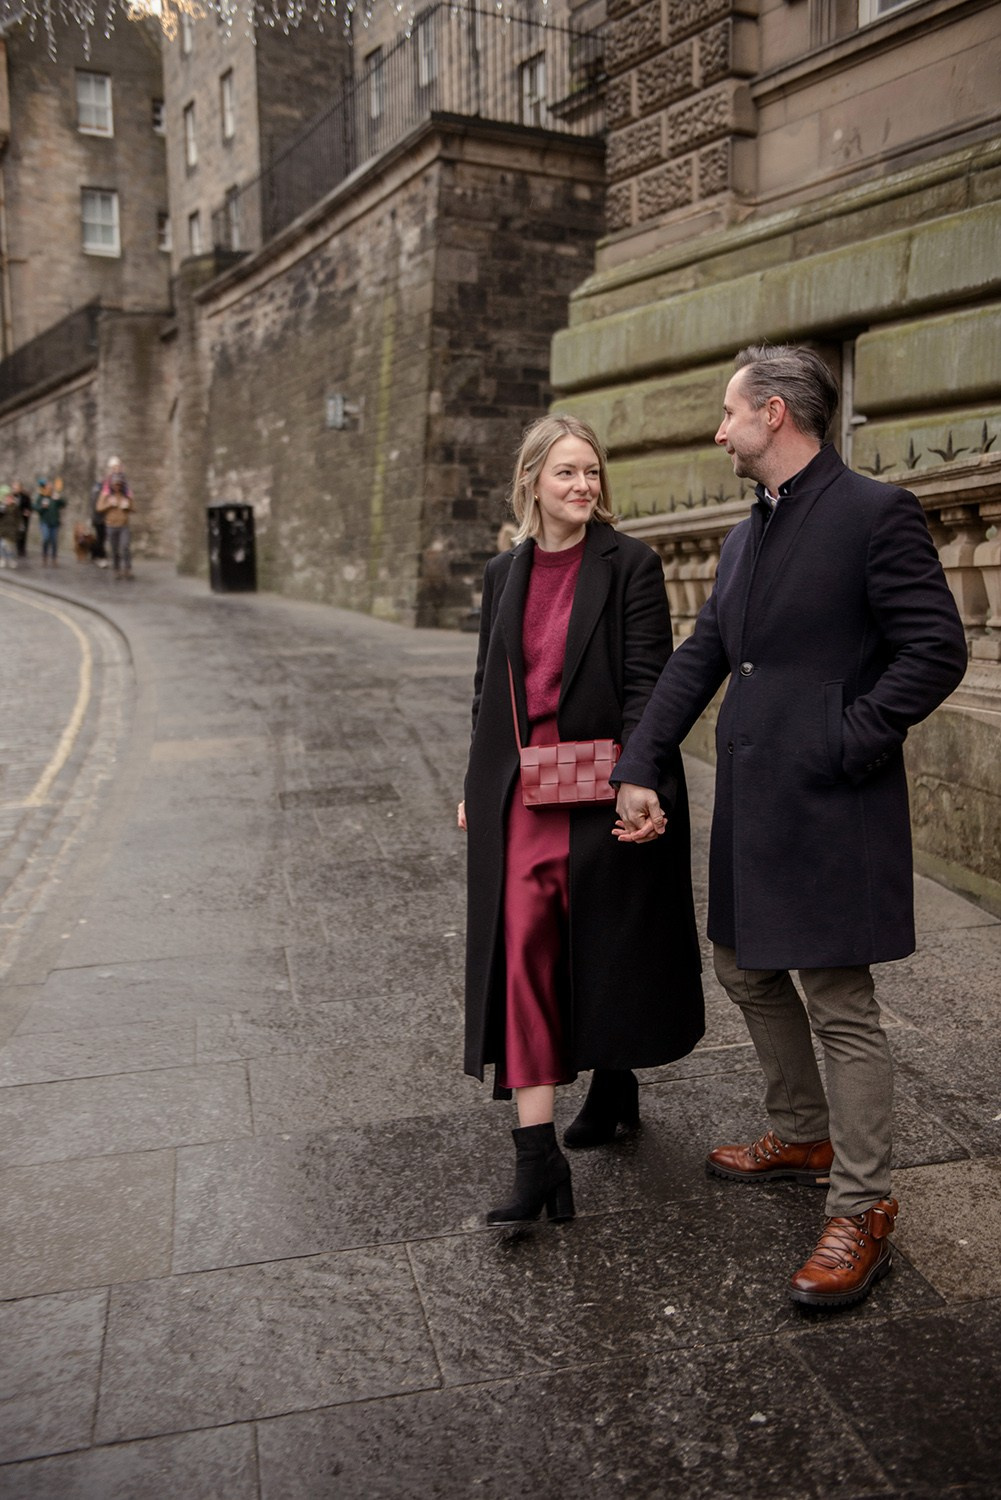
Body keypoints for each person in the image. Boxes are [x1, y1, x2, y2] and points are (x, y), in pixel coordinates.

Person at [613, 345, 968, 1310]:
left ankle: (860, 1206)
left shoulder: (871, 513)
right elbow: (702, 657)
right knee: (743, 966)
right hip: (754, 796)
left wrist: (845, 735)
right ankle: (800, 1129)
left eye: (728, 414)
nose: (718, 430)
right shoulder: (744, 535)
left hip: (831, 797)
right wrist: (640, 759)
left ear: (774, 414)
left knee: (837, 998)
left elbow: (936, 648)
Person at [460, 414, 705, 1226]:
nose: (582, 486)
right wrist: (476, 778)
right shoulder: (503, 572)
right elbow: (485, 689)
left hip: (602, 785)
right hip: (521, 793)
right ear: (532, 480)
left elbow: (647, 681)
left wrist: (639, 777)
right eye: (566, 473)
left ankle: (614, 1076)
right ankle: (537, 1165)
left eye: (591, 473)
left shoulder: (629, 563)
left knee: (606, 944)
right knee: (524, 953)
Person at [96, 471, 134, 578]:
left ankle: (127, 568)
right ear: (112, 485)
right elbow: (98, 508)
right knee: (114, 549)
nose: (117, 486)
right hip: (111, 525)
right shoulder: (106, 495)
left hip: (123, 525)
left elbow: (133, 508)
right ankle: (116, 569)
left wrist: (128, 507)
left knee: (125, 546)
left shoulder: (126, 495)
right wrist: (108, 505)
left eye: (119, 484)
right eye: (115, 484)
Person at [34, 477, 67, 567]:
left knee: (54, 541)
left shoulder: (54, 496)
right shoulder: (41, 496)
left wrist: (59, 498)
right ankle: (44, 557)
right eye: (47, 485)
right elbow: (35, 507)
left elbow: (64, 504)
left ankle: (54, 559)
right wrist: (42, 507)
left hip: (54, 522)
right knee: (46, 538)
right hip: (44, 521)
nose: (49, 487)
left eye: (50, 485)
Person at [12, 479, 33, 559]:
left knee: (23, 534)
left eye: (16, 487)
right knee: (16, 534)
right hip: (14, 518)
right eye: (14, 487)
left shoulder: (25, 497)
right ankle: (17, 548)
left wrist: (28, 511)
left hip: (23, 519)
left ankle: (22, 549)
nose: (14, 489)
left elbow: (29, 507)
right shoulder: (12, 496)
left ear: (20, 488)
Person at [0, 486, 19, 568]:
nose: (8, 499)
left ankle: (11, 560)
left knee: (10, 547)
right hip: (3, 530)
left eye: (10, 497)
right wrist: (2, 509)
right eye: (6, 497)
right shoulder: (2, 506)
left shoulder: (15, 507)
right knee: (2, 545)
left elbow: (18, 517)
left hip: (12, 530)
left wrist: (19, 526)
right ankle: (3, 559)